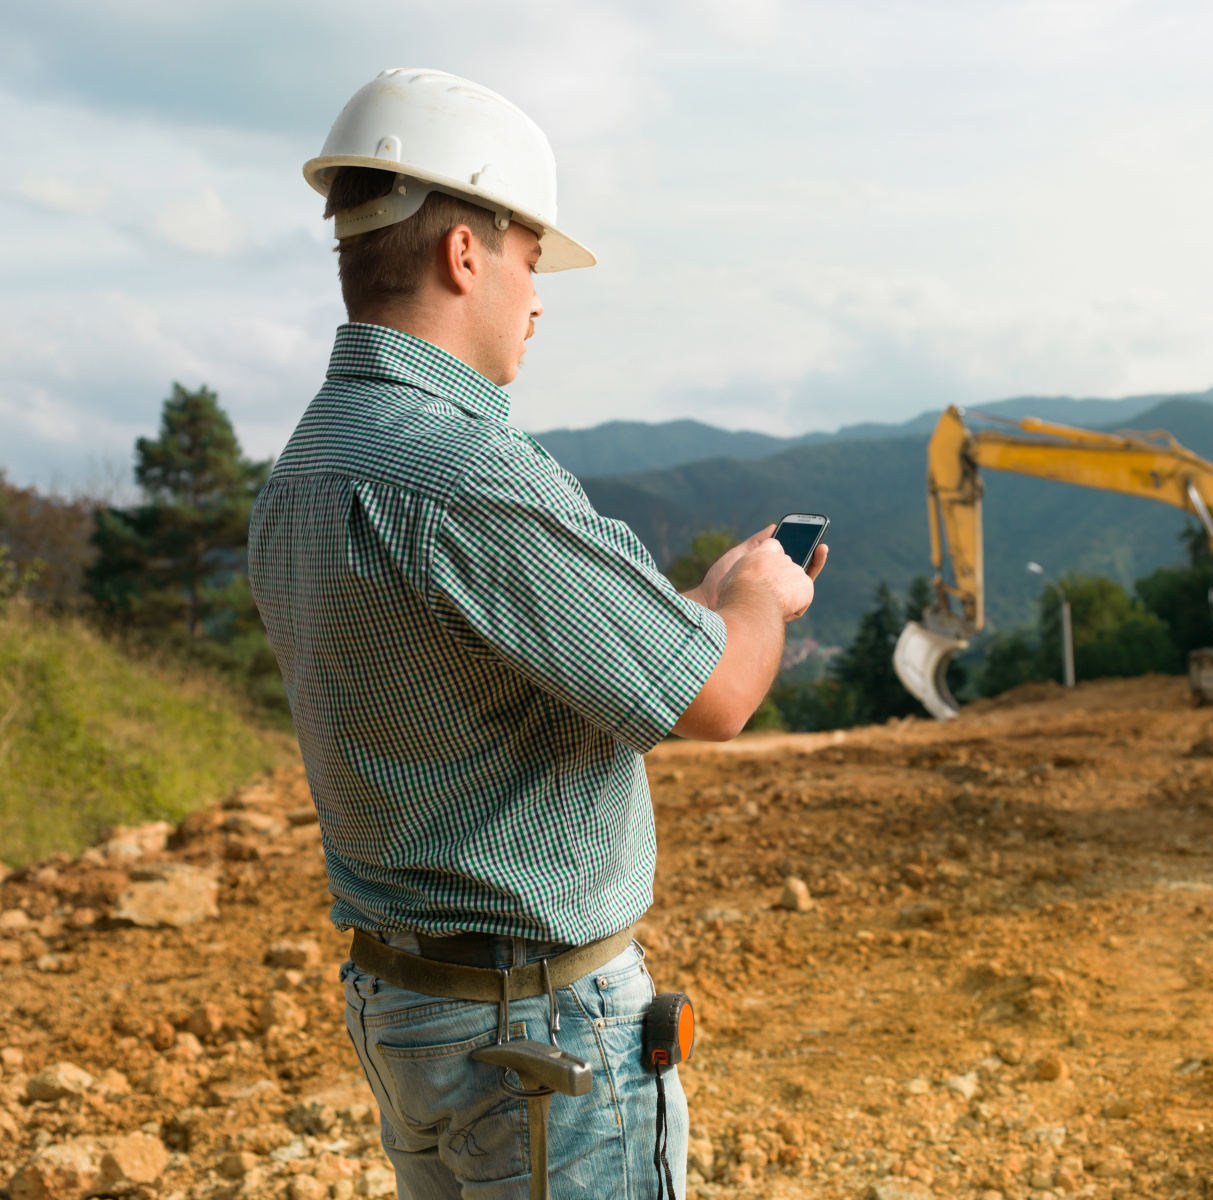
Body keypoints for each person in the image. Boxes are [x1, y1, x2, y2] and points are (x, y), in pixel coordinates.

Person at [247, 68, 826, 1199]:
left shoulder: (306, 471)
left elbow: (483, 671)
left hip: (412, 1010)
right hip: (538, 1033)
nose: (538, 294)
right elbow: (716, 701)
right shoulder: (467, 474)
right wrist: (758, 598)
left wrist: (688, 612)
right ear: (465, 253)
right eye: (527, 256)